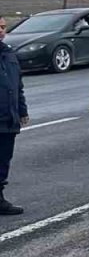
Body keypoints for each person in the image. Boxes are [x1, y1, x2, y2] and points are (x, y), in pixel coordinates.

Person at [0, 15, 28, 215]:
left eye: (3, 27)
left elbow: (17, 86)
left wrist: (22, 110)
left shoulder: (8, 54)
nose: (2, 31)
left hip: (8, 119)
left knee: (3, 161)